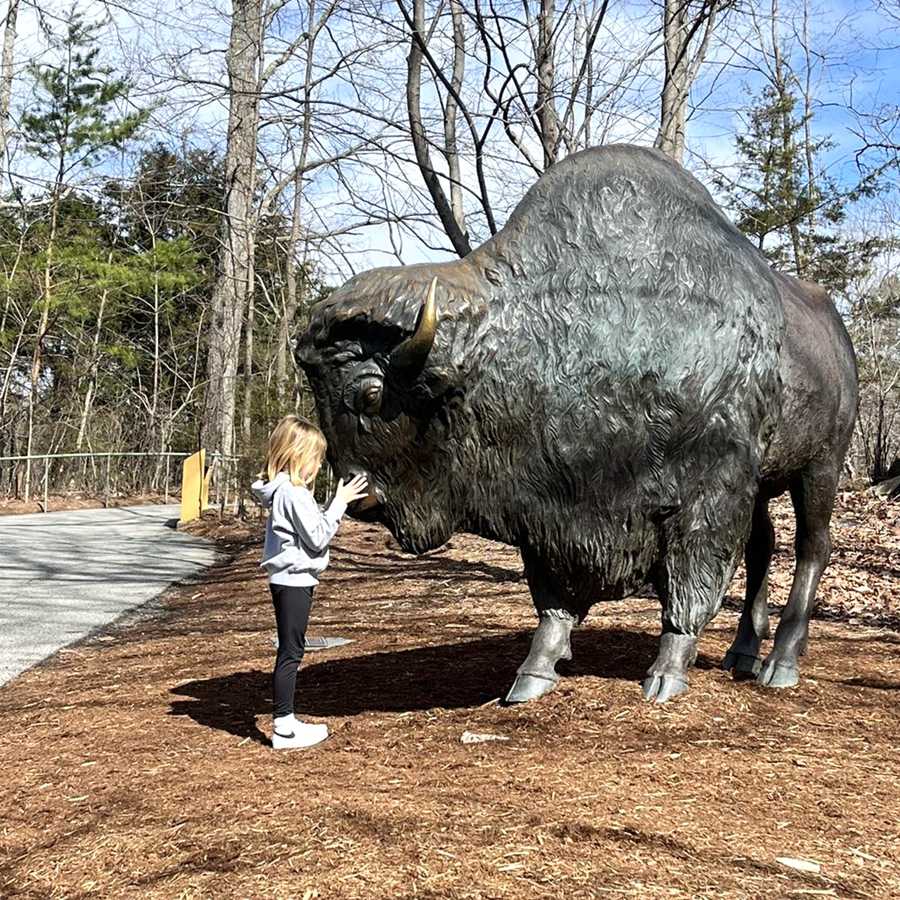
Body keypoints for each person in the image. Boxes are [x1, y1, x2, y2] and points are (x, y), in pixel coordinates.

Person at [250, 415, 368, 749]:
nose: (317, 465)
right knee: (291, 652)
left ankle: (286, 723)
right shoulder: (292, 493)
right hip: (294, 579)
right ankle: (284, 728)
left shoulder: (284, 492)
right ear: (298, 455)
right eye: (315, 458)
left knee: (291, 649)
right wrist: (340, 502)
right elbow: (317, 537)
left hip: (287, 579)